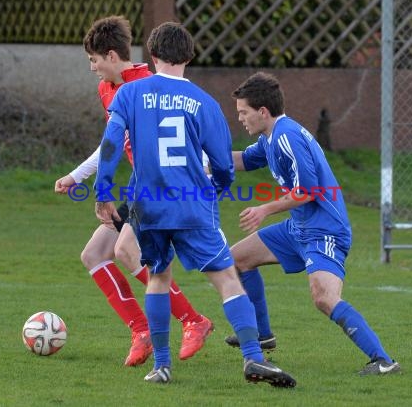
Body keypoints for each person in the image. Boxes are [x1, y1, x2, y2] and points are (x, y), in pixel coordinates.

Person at [94, 22, 296, 387]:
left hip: (148, 205)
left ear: (152, 56)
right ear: (188, 57)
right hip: (191, 204)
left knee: (157, 277)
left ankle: (162, 366)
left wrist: (103, 191)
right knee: (226, 278)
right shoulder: (205, 103)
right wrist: (216, 189)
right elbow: (221, 163)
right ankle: (253, 358)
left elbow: (111, 142)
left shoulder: (129, 93)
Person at [54, 16, 213, 367]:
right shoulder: (108, 90)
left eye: (94, 60)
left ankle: (192, 321)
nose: (92, 68)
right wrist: (76, 176)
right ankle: (142, 330)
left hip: (168, 186)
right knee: (95, 255)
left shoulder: (148, 83)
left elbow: (188, 126)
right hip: (144, 186)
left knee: (127, 251)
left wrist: (202, 165)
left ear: (111, 56)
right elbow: (111, 143)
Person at [224, 71, 401, 376]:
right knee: (237, 259)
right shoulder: (271, 137)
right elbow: (244, 161)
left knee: (324, 298)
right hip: (300, 227)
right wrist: (200, 160)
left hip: (324, 230)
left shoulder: (287, 137)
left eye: (243, 112)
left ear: (262, 112)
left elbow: (308, 191)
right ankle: (262, 335)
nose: (240, 118)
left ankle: (383, 361)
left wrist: (265, 209)